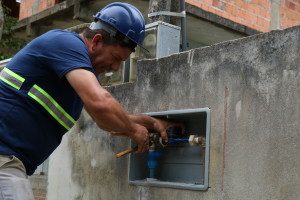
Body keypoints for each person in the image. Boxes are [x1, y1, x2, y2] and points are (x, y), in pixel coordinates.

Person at [0, 2, 184, 199]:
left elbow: (103, 119)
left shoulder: (80, 73)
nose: (115, 68)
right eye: (115, 58)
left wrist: (148, 122)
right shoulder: (65, 44)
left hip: (11, 162)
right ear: (96, 41)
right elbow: (101, 104)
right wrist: (133, 130)